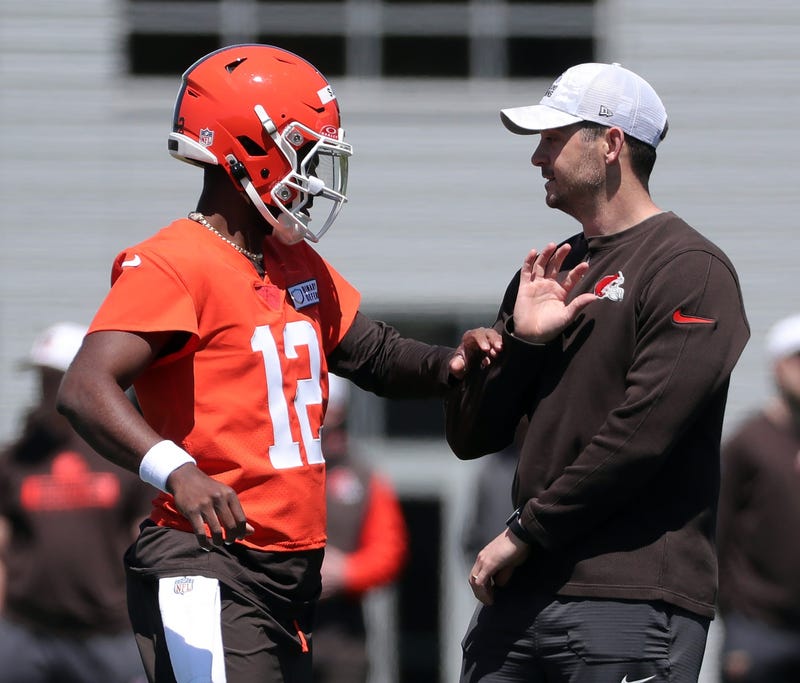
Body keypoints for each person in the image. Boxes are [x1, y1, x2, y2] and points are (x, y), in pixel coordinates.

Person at [55, 44, 491, 683]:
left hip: (288, 575)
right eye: (303, 153)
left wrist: (453, 361)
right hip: (207, 563)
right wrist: (177, 472)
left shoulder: (289, 260)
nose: (313, 173)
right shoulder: (176, 261)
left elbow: (373, 352)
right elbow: (86, 385)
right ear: (247, 148)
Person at [444, 62, 750, 682]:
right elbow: (472, 438)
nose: (536, 157)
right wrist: (523, 345)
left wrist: (527, 529)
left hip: (630, 598)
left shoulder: (690, 267)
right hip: (521, 598)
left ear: (610, 145)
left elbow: (642, 432)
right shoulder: (551, 270)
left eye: (553, 139)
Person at [0, 322, 152, 683]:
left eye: (56, 377)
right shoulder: (16, 459)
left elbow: (147, 540)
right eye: (43, 378)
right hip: (27, 631)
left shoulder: (123, 452)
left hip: (111, 634)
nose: (47, 389)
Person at [717, 313, 800, 683]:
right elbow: (716, 534)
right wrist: (735, 615)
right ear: (777, 365)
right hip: (759, 629)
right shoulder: (748, 443)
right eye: (797, 358)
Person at [313, 374, 408, 683]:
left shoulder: (364, 477)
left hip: (343, 636)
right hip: (282, 625)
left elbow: (390, 551)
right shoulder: (276, 471)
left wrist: (346, 572)